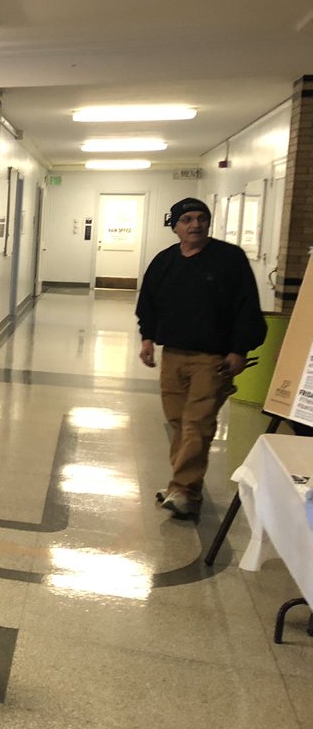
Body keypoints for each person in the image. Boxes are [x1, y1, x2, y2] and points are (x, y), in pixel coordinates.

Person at [137, 197, 266, 520]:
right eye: (187, 220)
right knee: (179, 423)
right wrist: (147, 339)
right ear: (175, 226)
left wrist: (240, 348)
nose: (195, 225)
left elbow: (246, 306)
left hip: (213, 358)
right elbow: (148, 301)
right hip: (174, 355)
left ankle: (184, 489)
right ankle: (183, 486)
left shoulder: (228, 259)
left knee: (198, 425)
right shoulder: (165, 261)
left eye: (201, 218)